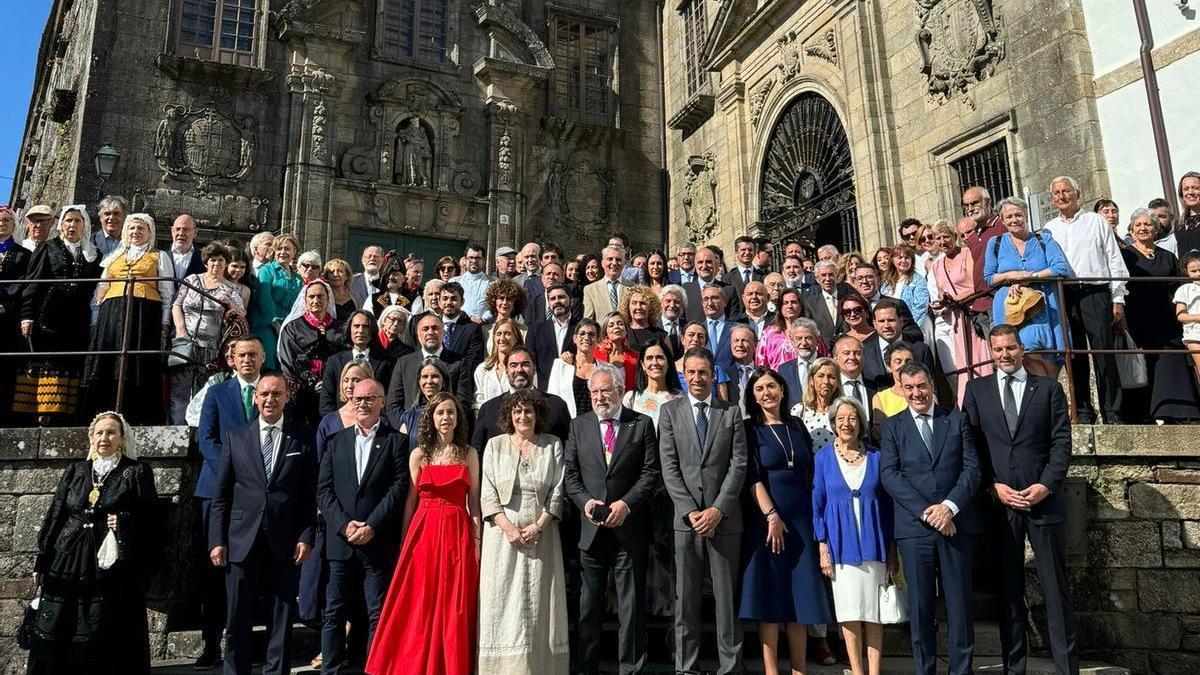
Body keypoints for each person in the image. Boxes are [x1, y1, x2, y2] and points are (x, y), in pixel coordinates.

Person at [963, 325, 1078, 675]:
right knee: (1009, 593)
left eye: (1010, 348)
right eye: (997, 350)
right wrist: (992, 486)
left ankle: (1067, 667)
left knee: (1056, 591)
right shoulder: (976, 390)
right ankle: (1015, 667)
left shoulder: (1048, 390)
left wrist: (1046, 485)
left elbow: (1061, 444)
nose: (1004, 355)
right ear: (990, 351)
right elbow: (972, 447)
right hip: (1001, 506)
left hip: (1042, 502)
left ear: (1021, 348)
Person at [26, 411, 158, 675]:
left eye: (111, 432)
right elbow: (57, 515)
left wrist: (124, 521)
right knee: (62, 620)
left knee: (103, 622)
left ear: (122, 438)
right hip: (68, 556)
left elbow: (152, 519)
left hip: (109, 561)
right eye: (99, 432)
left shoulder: (135, 472)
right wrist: (42, 559)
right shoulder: (77, 470)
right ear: (91, 438)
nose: (104, 438)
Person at [209, 374, 318, 675]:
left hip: (285, 541)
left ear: (286, 398)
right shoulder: (236, 437)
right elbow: (221, 495)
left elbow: (309, 495)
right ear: (255, 398)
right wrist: (217, 540)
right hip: (241, 541)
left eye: (276, 394)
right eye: (264, 394)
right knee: (237, 618)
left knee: (281, 617)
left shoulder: (303, 437)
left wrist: (306, 535)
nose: (270, 399)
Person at [560, 358, 662, 675]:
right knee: (589, 607)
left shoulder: (641, 424)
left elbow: (650, 474)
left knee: (630, 609)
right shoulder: (579, 426)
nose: (600, 397)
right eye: (594, 392)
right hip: (591, 533)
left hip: (629, 529)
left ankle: (630, 668)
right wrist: (584, 502)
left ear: (619, 390)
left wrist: (626, 505)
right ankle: (585, 668)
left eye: (606, 391)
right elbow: (571, 474)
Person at [366, 392, 480, 675]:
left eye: (451, 412)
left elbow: (474, 500)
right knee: (421, 602)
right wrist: (405, 541)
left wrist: (478, 541)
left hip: (457, 531)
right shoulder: (419, 454)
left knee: (455, 605)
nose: (446, 418)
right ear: (431, 417)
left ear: (458, 418)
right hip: (424, 532)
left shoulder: (469, 453)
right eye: (440, 412)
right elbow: (410, 501)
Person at [879, 362, 982, 675]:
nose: (916, 393)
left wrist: (949, 507)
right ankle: (925, 670)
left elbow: (972, 469)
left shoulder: (956, 419)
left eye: (921, 386)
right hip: (915, 528)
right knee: (922, 607)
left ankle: (961, 670)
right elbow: (889, 474)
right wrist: (929, 511)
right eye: (909, 387)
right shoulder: (893, 426)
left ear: (932, 385)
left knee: (959, 606)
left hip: (955, 525)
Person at [658, 347, 748, 675]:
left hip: (724, 521)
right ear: (683, 376)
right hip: (686, 523)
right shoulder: (670, 412)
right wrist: (691, 512)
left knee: (727, 601)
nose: (697, 379)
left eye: (703, 373)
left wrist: (717, 510)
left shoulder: (731, 413)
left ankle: (731, 666)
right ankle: (686, 667)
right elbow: (669, 466)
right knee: (686, 601)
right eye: (690, 373)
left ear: (713, 375)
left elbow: (739, 464)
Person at [739, 368, 832, 675]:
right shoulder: (749, 429)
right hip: (768, 519)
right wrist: (771, 515)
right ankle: (770, 670)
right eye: (760, 388)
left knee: (799, 595)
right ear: (753, 396)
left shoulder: (797, 426)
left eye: (772, 386)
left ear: (782, 389)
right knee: (771, 596)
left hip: (801, 518)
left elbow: (809, 472)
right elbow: (751, 477)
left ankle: (799, 668)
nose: (766, 393)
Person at [317, 379, 410, 675]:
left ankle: (374, 668)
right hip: (341, 543)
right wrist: (344, 526)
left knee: (376, 613)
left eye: (370, 398)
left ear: (383, 401)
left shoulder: (397, 441)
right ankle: (330, 669)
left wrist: (372, 525)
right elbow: (324, 492)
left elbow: (399, 487)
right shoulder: (336, 441)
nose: (363, 404)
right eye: (357, 399)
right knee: (333, 612)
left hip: (377, 540)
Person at [478, 389, 570, 673]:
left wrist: (539, 526)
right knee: (503, 599)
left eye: (528, 411)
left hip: (541, 535)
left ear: (538, 415)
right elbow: (488, 494)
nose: (523, 416)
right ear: (509, 415)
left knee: (542, 602)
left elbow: (557, 491)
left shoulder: (552, 445)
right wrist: (508, 528)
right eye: (517, 411)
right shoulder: (495, 445)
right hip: (503, 537)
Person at [194, 336, 264, 668]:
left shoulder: (271, 392)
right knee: (214, 571)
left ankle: (251, 644)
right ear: (232, 359)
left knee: (254, 572)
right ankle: (211, 643)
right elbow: (205, 439)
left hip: (256, 496)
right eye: (242, 355)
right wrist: (232, 471)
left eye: (253, 354)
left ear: (263, 358)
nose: (247, 360)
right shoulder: (217, 393)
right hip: (217, 492)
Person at [813, 396, 896, 675]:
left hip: (875, 542)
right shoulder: (823, 459)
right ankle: (857, 671)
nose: (847, 423)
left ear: (860, 423)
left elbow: (887, 505)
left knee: (874, 614)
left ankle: (874, 671)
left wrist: (892, 549)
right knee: (849, 613)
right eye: (841, 418)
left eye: (852, 418)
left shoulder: (876, 457)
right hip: (840, 546)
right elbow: (818, 504)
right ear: (833, 424)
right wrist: (822, 547)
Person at [1043, 176, 1130, 424]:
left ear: (1077, 193)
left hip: (1095, 291)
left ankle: (1112, 412)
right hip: (1066, 294)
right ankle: (1083, 412)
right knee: (1075, 355)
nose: (1061, 196)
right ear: (1052, 198)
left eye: (1066, 191)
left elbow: (1114, 259)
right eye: (1057, 193)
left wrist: (1117, 297)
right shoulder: (1049, 229)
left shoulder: (1096, 221)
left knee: (1103, 353)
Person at [81, 213, 174, 424]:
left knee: (137, 362)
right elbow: (101, 290)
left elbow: (167, 292)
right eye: (132, 228)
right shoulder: (114, 256)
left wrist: (165, 322)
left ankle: (135, 414)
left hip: (144, 313)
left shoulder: (159, 256)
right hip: (111, 315)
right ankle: (105, 412)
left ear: (149, 233)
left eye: (141, 228)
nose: (136, 232)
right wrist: (96, 321)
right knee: (109, 360)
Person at [18, 205, 100, 425]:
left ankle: (64, 417)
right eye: (68, 221)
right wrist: (27, 316)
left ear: (84, 225)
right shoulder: (47, 247)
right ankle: (41, 417)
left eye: (77, 221)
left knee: (71, 365)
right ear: (61, 225)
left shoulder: (92, 254)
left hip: (78, 320)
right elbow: (32, 284)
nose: (72, 225)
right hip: (48, 317)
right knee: (47, 364)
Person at [984, 197, 1072, 379]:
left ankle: (1051, 395)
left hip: (1044, 306)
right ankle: (1047, 396)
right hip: (1011, 309)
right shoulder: (995, 243)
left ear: (1026, 217)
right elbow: (989, 277)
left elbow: (1060, 268)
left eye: (1018, 215)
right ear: (1002, 220)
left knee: (1050, 357)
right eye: (1009, 217)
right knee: (1026, 352)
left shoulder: (1044, 240)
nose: (1014, 220)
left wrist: (1031, 277)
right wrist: (1011, 276)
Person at [170, 243, 247, 424]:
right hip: (185, 343)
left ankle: (198, 437)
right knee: (179, 390)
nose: (217, 264)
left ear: (226, 263)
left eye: (221, 260)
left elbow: (241, 315)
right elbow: (176, 305)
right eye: (213, 260)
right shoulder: (192, 280)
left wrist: (230, 303)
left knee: (203, 393)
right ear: (206, 262)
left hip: (211, 350)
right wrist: (180, 331)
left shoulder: (230, 289)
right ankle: (176, 429)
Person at [1119, 208, 1180, 422]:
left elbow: (1177, 287)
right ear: (1132, 230)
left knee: (1170, 364)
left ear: (1155, 230)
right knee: (1144, 366)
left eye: (1148, 225)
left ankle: (1172, 411)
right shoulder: (1126, 256)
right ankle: (1144, 414)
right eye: (1138, 225)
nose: (1143, 228)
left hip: (1166, 320)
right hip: (1137, 319)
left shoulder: (1168, 256)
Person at [929, 220, 993, 404]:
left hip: (974, 314)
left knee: (981, 361)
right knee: (962, 366)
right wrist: (943, 301)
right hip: (956, 320)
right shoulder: (936, 265)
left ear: (955, 237)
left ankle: (988, 401)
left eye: (946, 236)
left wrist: (956, 298)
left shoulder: (967, 254)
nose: (942, 241)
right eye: (938, 238)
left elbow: (977, 285)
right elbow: (942, 290)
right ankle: (970, 406)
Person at [278, 280, 340, 431]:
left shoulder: (340, 327)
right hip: (302, 392)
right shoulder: (293, 328)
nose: (316, 300)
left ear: (328, 299)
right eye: (311, 297)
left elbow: (344, 358)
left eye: (320, 296)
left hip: (334, 390)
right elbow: (289, 360)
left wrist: (329, 381)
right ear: (305, 300)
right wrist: (312, 382)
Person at [384, 313, 467, 421]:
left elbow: (462, 402)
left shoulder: (458, 363)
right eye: (425, 329)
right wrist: (404, 425)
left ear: (444, 333)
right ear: (418, 335)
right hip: (409, 432)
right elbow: (393, 405)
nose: (430, 332)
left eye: (435, 328)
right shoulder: (403, 363)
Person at [320, 310, 394, 416]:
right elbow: (326, 402)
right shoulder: (334, 362)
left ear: (372, 331)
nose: (361, 330)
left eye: (365, 326)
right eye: (356, 326)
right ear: (349, 329)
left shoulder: (386, 363)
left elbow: (389, 399)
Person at [249, 233, 302, 369]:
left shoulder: (298, 278)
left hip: (289, 328)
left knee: (285, 368)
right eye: (279, 249)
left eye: (287, 249)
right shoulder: (266, 271)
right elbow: (264, 298)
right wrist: (276, 323)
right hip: (267, 325)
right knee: (268, 365)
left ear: (294, 252)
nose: (282, 252)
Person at [861, 298, 936, 393]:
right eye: (881, 321)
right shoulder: (864, 352)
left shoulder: (921, 350)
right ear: (874, 324)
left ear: (901, 322)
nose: (887, 325)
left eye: (891, 320)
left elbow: (931, 388)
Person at [527, 283, 578, 390]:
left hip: (574, 388)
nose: (557, 301)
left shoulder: (581, 328)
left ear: (571, 301)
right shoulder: (535, 331)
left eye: (561, 297)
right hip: (545, 391)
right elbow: (530, 362)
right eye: (552, 299)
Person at [548, 319, 602, 416]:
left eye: (591, 334)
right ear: (574, 338)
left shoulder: (604, 368)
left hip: (596, 425)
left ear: (597, 340)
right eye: (582, 333)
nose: (586, 337)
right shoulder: (560, 365)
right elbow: (553, 398)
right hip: (568, 425)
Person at [622, 339, 683, 427]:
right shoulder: (631, 398)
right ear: (643, 365)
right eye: (649, 358)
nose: (654, 362)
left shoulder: (680, 398)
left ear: (668, 363)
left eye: (659, 357)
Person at [438, 281, 486, 378]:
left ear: (462, 302)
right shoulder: (430, 326)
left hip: (460, 382)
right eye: (445, 298)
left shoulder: (472, 329)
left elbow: (473, 360)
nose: (448, 303)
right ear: (439, 302)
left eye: (454, 299)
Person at [674, 320, 731, 401]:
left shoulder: (716, 369)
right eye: (691, 335)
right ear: (682, 339)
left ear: (705, 342)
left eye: (700, 336)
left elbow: (724, 404)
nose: (696, 339)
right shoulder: (671, 368)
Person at [682, 246, 742, 320]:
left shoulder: (728, 290)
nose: (704, 266)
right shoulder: (684, 290)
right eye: (700, 262)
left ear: (716, 264)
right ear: (695, 265)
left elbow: (734, 321)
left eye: (708, 262)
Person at [474, 316, 521, 410]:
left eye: (507, 334)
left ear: (516, 338)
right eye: (498, 334)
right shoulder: (483, 369)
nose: (502, 338)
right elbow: (477, 404)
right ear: (494, 338)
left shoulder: (523, 368)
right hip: (488, 422)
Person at [881, 244, 930, 333]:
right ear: (892, 260)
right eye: (900, 257)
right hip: (892, 329)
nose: (903, 261)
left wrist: (909, 329)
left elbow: (921, 307)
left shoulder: (918, 280)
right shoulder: (886, 284)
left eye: (907, 258)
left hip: (915, 328)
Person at [871, 341, 916, 426]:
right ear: (889, 367)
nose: (903, 365)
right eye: (898, 361)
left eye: (908, 361)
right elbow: (880, 431)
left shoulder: (925, 393)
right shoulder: (880, 398)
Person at [803, 259, 847, 345]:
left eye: (831, 275)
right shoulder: (810, 304)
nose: (827, 279)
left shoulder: (847, 298)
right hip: (823, 352)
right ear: (817, 279)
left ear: (837, 276)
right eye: (823, 275)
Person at [583, 245, 633, 319]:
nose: (614, 263)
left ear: (624, 263)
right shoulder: (590, 290)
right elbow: (588, 319)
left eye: (618, 259)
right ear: (602, 263)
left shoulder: (633, 288)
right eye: (610, 259)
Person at [595, 310, 639, 391]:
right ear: (605, 332)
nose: (616, 327)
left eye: (620, 324)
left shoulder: (635, 357)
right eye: (611, 325)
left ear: (626, 330)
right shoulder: (595, 353)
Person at [449, 243, 494, 320]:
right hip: (460, 325)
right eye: (471, 257)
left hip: (484, 327)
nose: (474, 261)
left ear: (484, 260)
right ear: (465, 260)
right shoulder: (454, 282)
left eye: (478, 258)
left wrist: (483, 319)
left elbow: (497, 306)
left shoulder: (493, 282)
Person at [482, 276, 528, 349]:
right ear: (494, 301)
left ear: (515, 303)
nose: (505, 302)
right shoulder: (485, 330)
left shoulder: (524, 331)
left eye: (509, 299)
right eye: (501, 298)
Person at [620, 284, 667, 355]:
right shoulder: (622, 331)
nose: (638, 307)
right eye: (634, 303)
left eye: (643, 303)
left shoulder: (662, 335)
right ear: (627, 307)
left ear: (651, 307)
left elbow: (669, 363)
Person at [324, 258, 359, 333]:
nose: (336, 274)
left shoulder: (355, 298)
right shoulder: (324, 297)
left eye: (340, 271)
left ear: (346, 276)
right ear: (327, 277)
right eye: (332, 272)